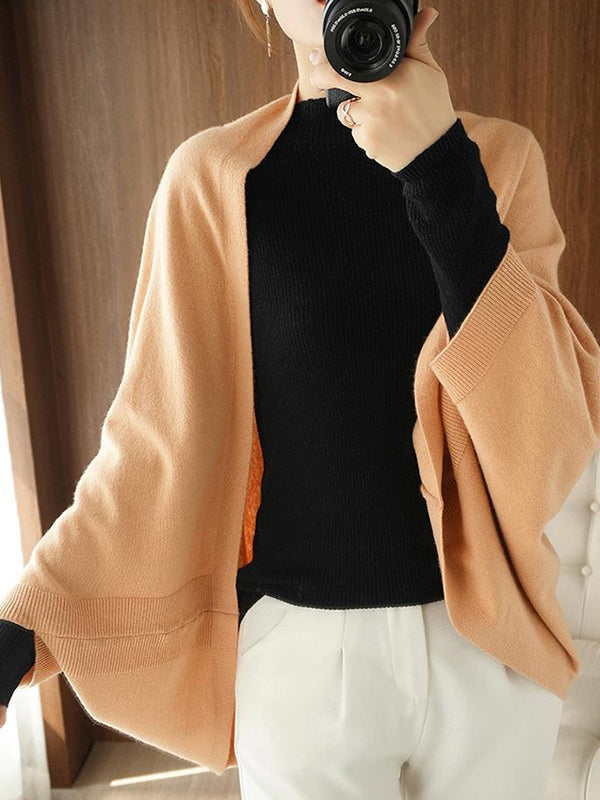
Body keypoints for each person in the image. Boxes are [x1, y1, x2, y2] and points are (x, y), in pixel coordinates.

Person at [0, 1, 592, 797]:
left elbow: (551, 422)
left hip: (489, 649)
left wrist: (439, 167)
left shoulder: (501, 158)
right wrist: (28, 623)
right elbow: (153, 441)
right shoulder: (211, 179)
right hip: (302, 658)